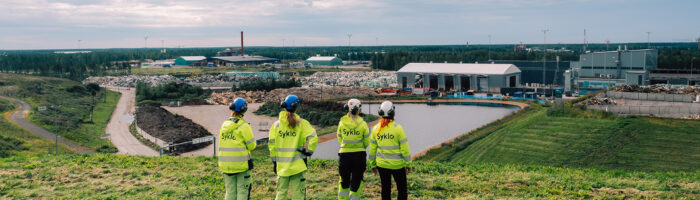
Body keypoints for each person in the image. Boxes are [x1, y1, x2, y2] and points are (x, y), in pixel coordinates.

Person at [269, 95, 318, 200]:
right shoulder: (302, 123)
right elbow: (314, 138)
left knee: (281, 194)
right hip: (298, 166)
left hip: (282, 167)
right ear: (296, 107)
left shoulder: (276, 125)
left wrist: (274, 162)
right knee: (298, 195)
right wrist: (308, 151)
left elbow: (271, 145)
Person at [368, 101, 412, 200]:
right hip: (398, 166)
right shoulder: (398, 129)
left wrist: (373, 165)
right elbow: (405, 149)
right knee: (402, 190)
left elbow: (372, 150)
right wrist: (408, 164)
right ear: (393, 113)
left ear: (380, 113)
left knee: (385, 189)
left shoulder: (375, 129)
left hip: (382, 165)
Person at [219, 97, 256, 200]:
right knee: (242, 193)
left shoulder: (224, 125)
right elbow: (252, 146)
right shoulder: (244, 126)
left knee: (230, 193)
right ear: (244, 110)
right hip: (241, 166)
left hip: (226, 165)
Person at [336, 99, 370, 200]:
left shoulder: (342, 122)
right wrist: (360, 147)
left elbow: (339, 137)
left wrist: (346, 146)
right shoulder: (363, 124)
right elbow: (366, 141)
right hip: (359, 156)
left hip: (344, 155)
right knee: (357, 181)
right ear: (358, 109)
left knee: (344, 180)